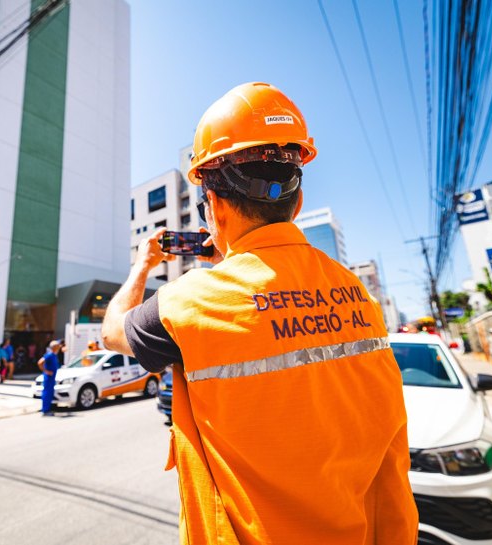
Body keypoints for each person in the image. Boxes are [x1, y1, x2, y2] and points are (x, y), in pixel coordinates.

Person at [101, 82, 418, 544]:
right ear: (298, 202)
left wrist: (143, 265)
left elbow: (113, 332)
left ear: (214, 205)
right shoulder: (356, 293)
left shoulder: (191, 301)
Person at [38, 340, 61, 416]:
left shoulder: (54, 355)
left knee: (50, 393)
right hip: (48, 377)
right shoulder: (49, 355)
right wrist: (46, 371)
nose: (59, 347)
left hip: (52, 378)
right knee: (47, 393)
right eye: (57, 346)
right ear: (54, 347)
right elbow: (40, 362)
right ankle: (45, 410)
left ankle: (47, 408)